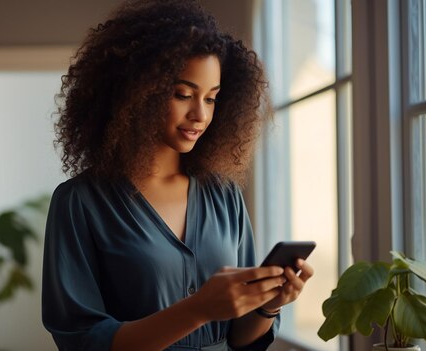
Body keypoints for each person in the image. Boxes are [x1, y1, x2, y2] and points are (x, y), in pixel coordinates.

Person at [42, 1, 314, 350]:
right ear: (138, 94)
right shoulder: (80, 203)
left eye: (212, 99)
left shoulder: (224, 195)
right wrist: (198, 309)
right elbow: (83, 341)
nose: (199, 114)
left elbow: (239, 339)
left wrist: (270, 304)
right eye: (183, 94)